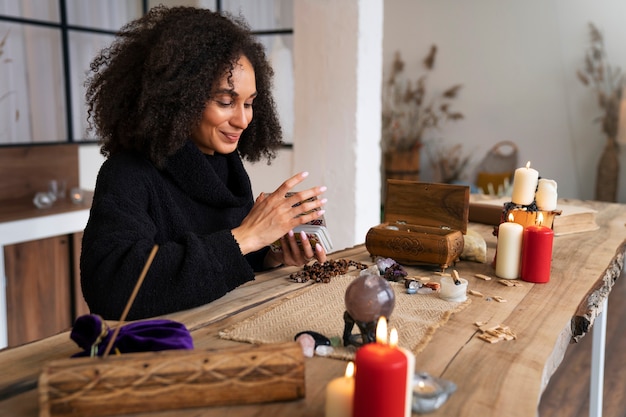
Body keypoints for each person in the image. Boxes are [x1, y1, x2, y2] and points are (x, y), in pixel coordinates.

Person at [80, 5, 327, 321]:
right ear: (180, 97)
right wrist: (247, 237)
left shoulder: (227, 168)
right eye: (226, 102)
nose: (242, 119)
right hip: (162, 350)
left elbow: (223, 266)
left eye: (250, 104)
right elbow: (111, 289)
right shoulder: (128, 173)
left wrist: (272, 252)